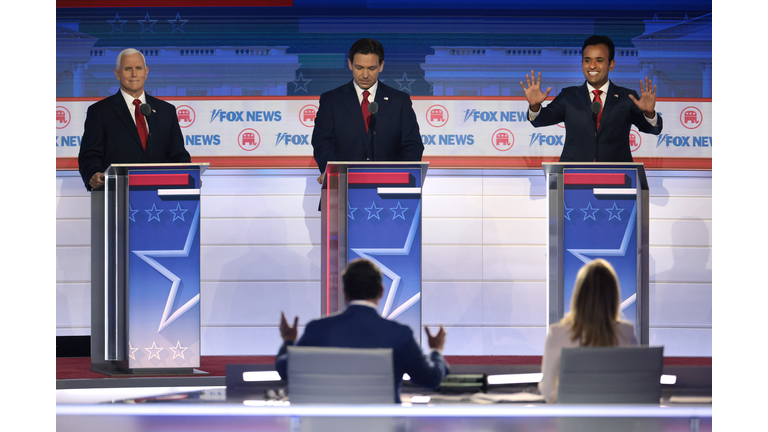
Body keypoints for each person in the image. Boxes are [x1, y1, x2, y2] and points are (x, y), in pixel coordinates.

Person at [275, 259, 448, 403]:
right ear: (381, 292)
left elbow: (285, 370)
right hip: (382, 427)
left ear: (344, 292)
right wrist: (436, 350)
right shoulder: (399, 334)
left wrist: (289, 341)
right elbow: (430, 379)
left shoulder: (316, 329)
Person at [521, 35, 663, 162]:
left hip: (616, 173)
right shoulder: (569, 95)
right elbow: (540, 120)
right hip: (575, 173)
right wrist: (535, 106)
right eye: (587, 60)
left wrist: (649, 113)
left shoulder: (627, 97)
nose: (592, 66)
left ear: (611, 64)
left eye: (599, 60)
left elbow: (653, 129)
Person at [311, 38, 424, 185]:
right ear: (350, 64)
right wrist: (330, 171)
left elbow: (412, 145)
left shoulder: (399, 101)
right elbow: (323, 142)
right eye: (359, 68)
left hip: (390, 187)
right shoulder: (331, 100)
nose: (365, 75)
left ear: (381, 66)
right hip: (344, 185)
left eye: (371, 68)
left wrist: (403, 176)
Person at [78, 48, 190, 191]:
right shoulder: (99, 111)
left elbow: (178, 155)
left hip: (160, 194)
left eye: (138, 68)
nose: (134, 74)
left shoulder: (166, 111)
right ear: (117, 73)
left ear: (146, 72)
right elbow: (89, 155)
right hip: (116, 192)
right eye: (127, 69)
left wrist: (190, 176)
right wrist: (93, 174)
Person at [538, 259, 638, 403]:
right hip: (614, 416)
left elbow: (547, 389)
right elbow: (633, 388)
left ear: (578, 295)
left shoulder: (557, 333)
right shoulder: (627, 333)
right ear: (613, 296)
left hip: (571, 415)